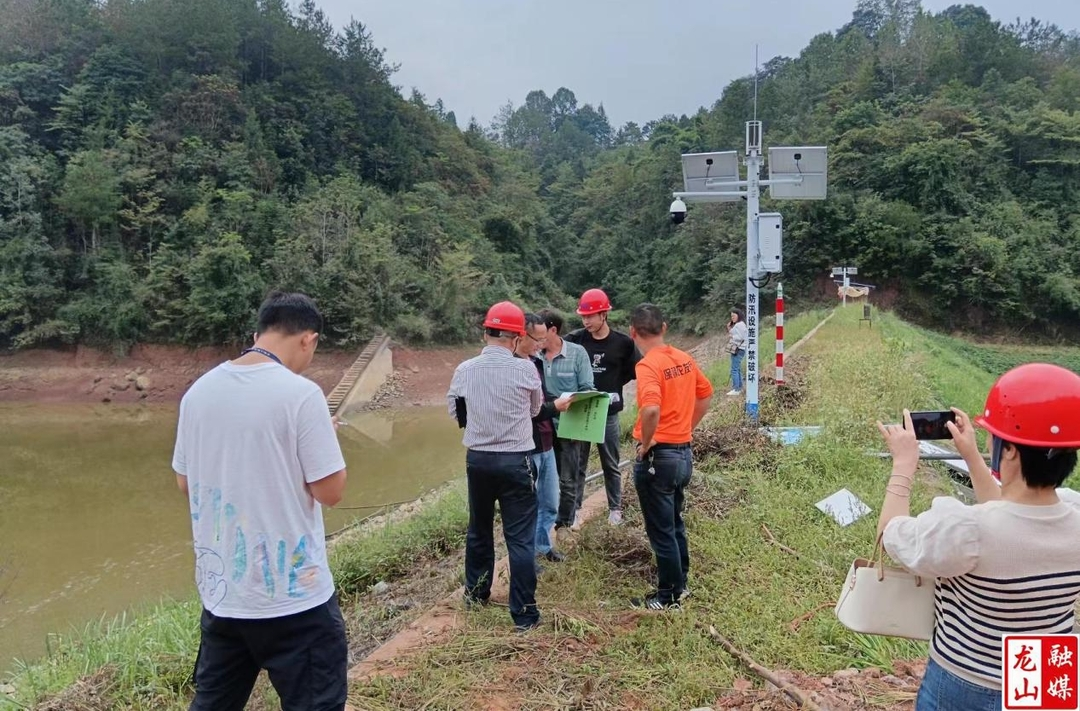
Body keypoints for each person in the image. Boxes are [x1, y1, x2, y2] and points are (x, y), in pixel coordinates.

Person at [173, 291, 350, 711]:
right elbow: (331, 492)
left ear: (258, 334)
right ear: (309, 339)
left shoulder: (198, 392)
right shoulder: (302, 395)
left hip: (225, 597)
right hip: (295, 602)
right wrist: (324, 433)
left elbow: (185, 484)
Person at [875, 363, 1080, 710]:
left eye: (993, 435)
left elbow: (890, 536)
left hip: (970, 679)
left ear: (1010, 450)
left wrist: (904, 464)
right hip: (1047, 667)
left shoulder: (968, 530)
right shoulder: (1074, 513)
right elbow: (1010, 514)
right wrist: (972, 454)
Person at [446, 301, 544, 631]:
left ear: (486, 333)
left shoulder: (464, 370)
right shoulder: (526, 370)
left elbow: (455, 412)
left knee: (480, 529)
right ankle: (524, 614)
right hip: (517, 461)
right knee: (519, 538)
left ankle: (476, 594)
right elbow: (534, 410)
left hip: (479, 461)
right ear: (517, 338)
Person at [628, 303, 714, 610]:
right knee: (674, 523)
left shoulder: (647, 366)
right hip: (682, 454)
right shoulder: (684, 359)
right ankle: (680, 584)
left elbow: (650, 408)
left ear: (633, 332)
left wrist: (647, 443)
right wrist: (687, 427)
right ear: (664, 328)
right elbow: (705, 393)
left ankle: (668, 597)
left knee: (661, 530)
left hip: (658, 459)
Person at [566, 288, 642, 527]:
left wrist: (613, 386)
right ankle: (575, 510)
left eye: (591, 316)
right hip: (582, 411)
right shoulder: (575, 339)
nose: (586, 321)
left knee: (610, 463)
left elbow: (634, 371)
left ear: (604, 315)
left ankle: (615, 509)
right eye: (583, 316)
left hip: (608, 413)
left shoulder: (623, 343)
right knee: (579, 463)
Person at [514, 313, 573, 565]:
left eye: (542, 338)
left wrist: (560, 402)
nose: (540, 343)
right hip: (527, 445)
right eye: (536, 338)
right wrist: (554, 406)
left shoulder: (535, 363)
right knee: (528, 506)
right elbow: (528, 410)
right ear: (520, 336)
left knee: (549, 501)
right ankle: (528, 557)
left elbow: (542, 398)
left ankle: (542, 546)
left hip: (547, 441)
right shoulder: (513, 367)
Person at [536, 308, 594, 541]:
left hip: (569, 425)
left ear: (553, 329)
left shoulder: (577, 353)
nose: (537, 338)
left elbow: (587, 388)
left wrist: (569, 405)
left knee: (568, 479)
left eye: (541, 332)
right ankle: (542, 525)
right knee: (542, 479)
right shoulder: (533, 355)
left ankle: (565, 524)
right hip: (541, 428)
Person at [725, 308, 747, 397]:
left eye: (734, 315)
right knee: (737, 368)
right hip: (740, 348)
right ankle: (740, 387)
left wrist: (732, 336)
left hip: (738, 349)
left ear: (739, 315)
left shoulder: (739, 325)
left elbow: (741, 337)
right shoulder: (740, 324)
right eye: (731, 316)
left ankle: (736, 389)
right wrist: (729, 328)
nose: (732, 317)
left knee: (734, 369)